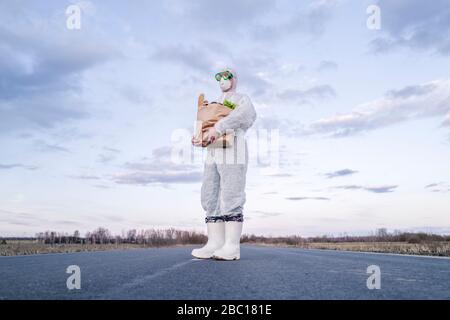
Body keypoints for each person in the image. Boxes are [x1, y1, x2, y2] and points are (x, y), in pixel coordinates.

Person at [191, 68, 257, 261]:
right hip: (213, 150)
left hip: (233, 146)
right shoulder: (214, 103)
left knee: (231, 193)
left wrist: (219, 128)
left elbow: (247, 115)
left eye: (226, 77)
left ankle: (232, 247)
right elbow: (205, 123)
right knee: (210, 194)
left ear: (234, 80)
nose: (222, 81)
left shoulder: (240, 98)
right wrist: (198, 137)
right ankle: (215, 243)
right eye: (219, 78)